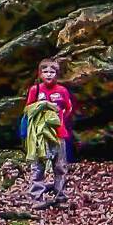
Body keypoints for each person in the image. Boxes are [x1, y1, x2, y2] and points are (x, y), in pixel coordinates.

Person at [20, 59, 74, 207]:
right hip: (39, 136)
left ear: (57, 74)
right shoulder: (35, 90)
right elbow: (28, 109)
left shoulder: (62, 90)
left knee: (60, 166)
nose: (48, 75)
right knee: (38, 166)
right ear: (40, 74)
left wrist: (57, 120)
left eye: (52, 72)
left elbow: (68, 109)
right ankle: (37, 197)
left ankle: (60, 196)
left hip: (58, 134)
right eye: (45, 72)